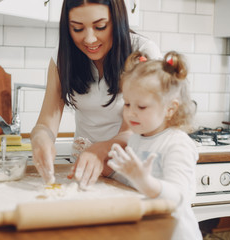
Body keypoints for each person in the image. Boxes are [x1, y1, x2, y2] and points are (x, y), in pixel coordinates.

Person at [30, 0, 161, 188]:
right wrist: (40, 138)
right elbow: (46, 122)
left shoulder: (142, 52)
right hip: (89, 172)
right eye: (77, 29)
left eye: (100, 27)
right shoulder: (62, 57)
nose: (89, 39)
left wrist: (99, 150)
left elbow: (131, 131)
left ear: (117, 20)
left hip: (136, 174)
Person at [107, 51, 202, 240]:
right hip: (148, 230)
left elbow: (178, 197)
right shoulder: (137, 137)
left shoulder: (177, 144)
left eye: (141, 107)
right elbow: (132, 183)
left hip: (175, 233)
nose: (131, 113)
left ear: (170, 108)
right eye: (127, 104)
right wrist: (111, 172)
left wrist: (146, 182)